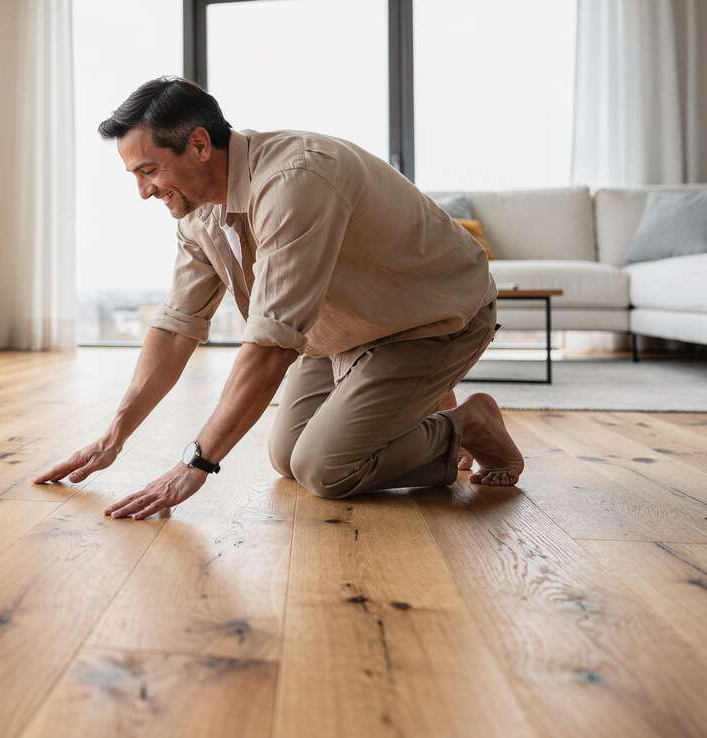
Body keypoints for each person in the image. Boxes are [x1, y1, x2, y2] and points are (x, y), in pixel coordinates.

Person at [34, 77, 523, 519]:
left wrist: (197, 462)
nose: (144, 191)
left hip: (429, 319)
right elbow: (177, 326)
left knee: (324, 469)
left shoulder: (295, 182)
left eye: (149, 170)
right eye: (135, 176)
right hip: (344, 329)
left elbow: (270, 346)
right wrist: (113, 436)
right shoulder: (197, 213)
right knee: (286, 454)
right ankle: (421, 408)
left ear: (199, 144)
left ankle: (469, 423)